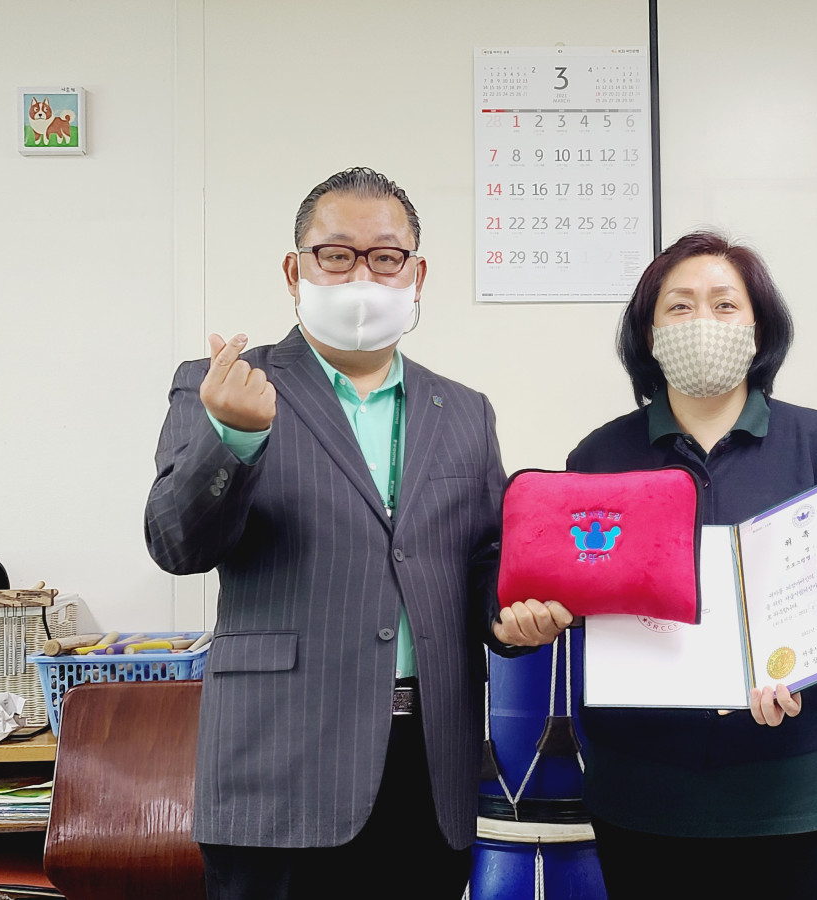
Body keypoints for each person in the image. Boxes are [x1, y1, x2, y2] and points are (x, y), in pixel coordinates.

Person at [144, 167, 571, 898]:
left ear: (417, 274)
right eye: (337, 255)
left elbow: (482, 561)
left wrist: (510, 617)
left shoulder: (464, 411)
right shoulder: (224, 385)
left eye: (386, 257)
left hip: (428, 765)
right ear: (295, 271)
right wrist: (233, 439)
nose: (363, 276)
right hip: (280, 764)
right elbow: (177, 544)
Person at [566, 231, 817, 899]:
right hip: (643, 792)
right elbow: (580, 599)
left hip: (797, 790)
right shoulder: (599, 458)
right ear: (648, 334)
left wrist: (799, 663)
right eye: (679, 306)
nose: (702, 321)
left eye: (725, 304)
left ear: (758, 330)